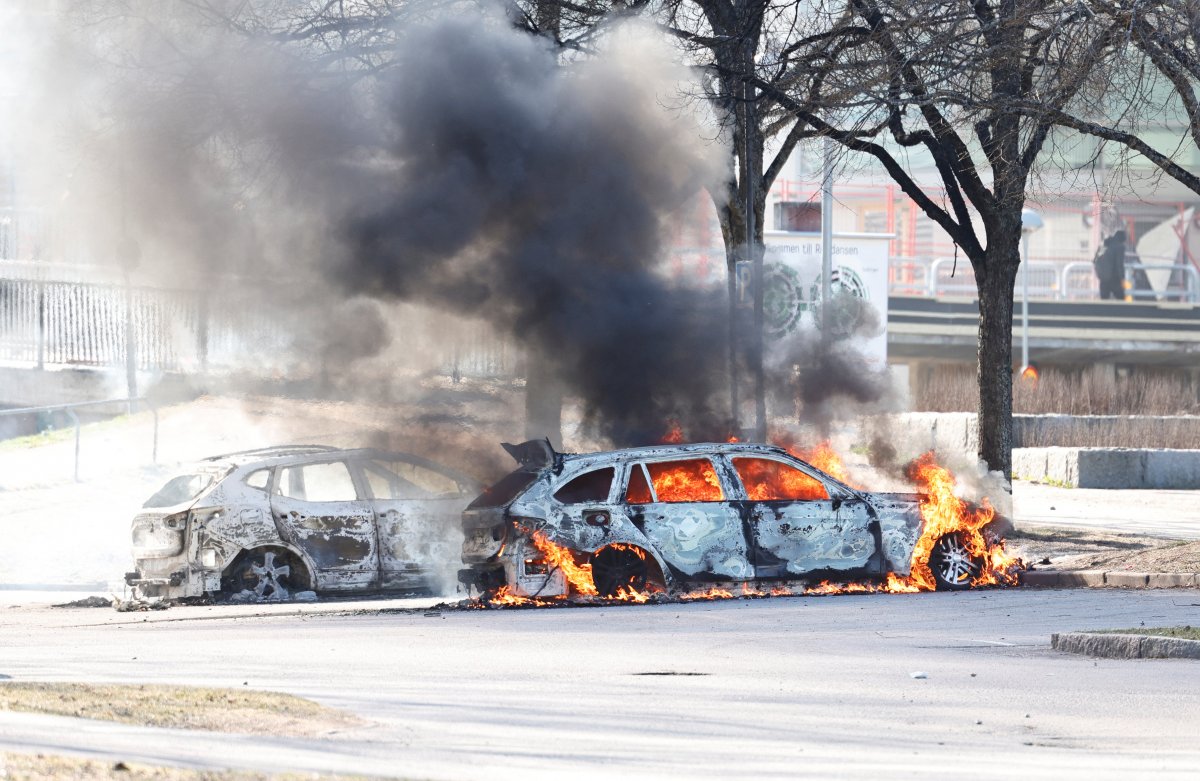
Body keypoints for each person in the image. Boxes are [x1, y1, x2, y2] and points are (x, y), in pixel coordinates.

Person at [1093, 229, 1127, 300]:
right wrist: (1123, 279)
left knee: (1104, 303)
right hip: (1115, 279)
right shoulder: (1120, 247)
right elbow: (1119, 265)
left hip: (1103, 278)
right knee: (1122, 300)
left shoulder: (1104, 244)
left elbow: (1095, 260)